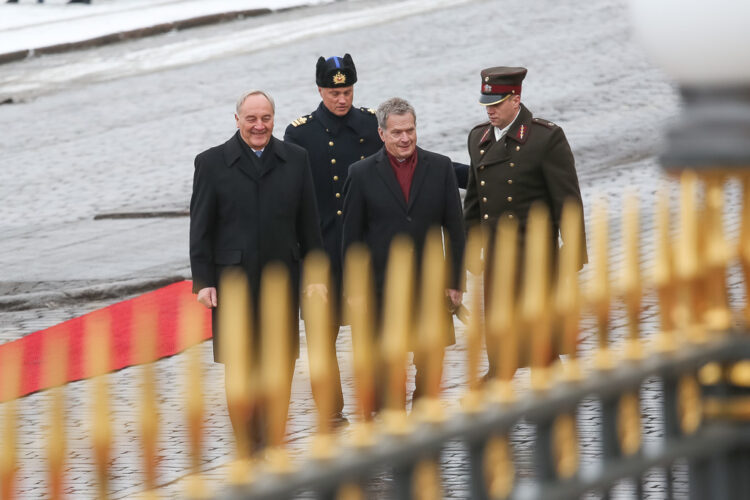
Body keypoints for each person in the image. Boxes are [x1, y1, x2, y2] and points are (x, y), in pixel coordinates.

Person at [190, 90, 323, 449]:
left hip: (282, 279)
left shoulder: (295, 159)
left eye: (265, 118)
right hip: (233, 283)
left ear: (274, 119)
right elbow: (200, 227)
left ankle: (274, 438)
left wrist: (315, 276)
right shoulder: (211, 163)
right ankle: (248, 446)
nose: (259, 125)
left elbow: (309, 223)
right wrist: (202, 282)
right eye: (251, 118)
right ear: (237, 120)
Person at [463, 66, 587, 378]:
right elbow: (475, 203)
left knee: (540, 344)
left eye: (496, 104)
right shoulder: (478, 138)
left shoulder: (546, 139)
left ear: (515, 99)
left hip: (536, 261)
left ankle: (542, 401)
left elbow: (567, 201)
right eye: (486, 105)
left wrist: (573, 252)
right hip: (495, 260)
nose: (490, 111)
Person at [342, 97, 465, 403]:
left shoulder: (440, 167)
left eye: (409, 130)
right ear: (381, 134)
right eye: (396, 132)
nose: (405, 138)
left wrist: (455, 281)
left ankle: (425, 428)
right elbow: (351, 240)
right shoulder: (361, 174)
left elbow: (455, 230)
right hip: (382, 292)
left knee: (431, 368)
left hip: (431, 287)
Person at [283, 54, 382, 426]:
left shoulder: (372, 123)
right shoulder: (301, 133)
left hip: (363, 250)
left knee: (368, 335)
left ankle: (373, 401)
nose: (342, 99)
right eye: (334, 91)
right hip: (321, 252)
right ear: (320, 90)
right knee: (322, 339)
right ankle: (331, 409)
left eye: (347, 90)